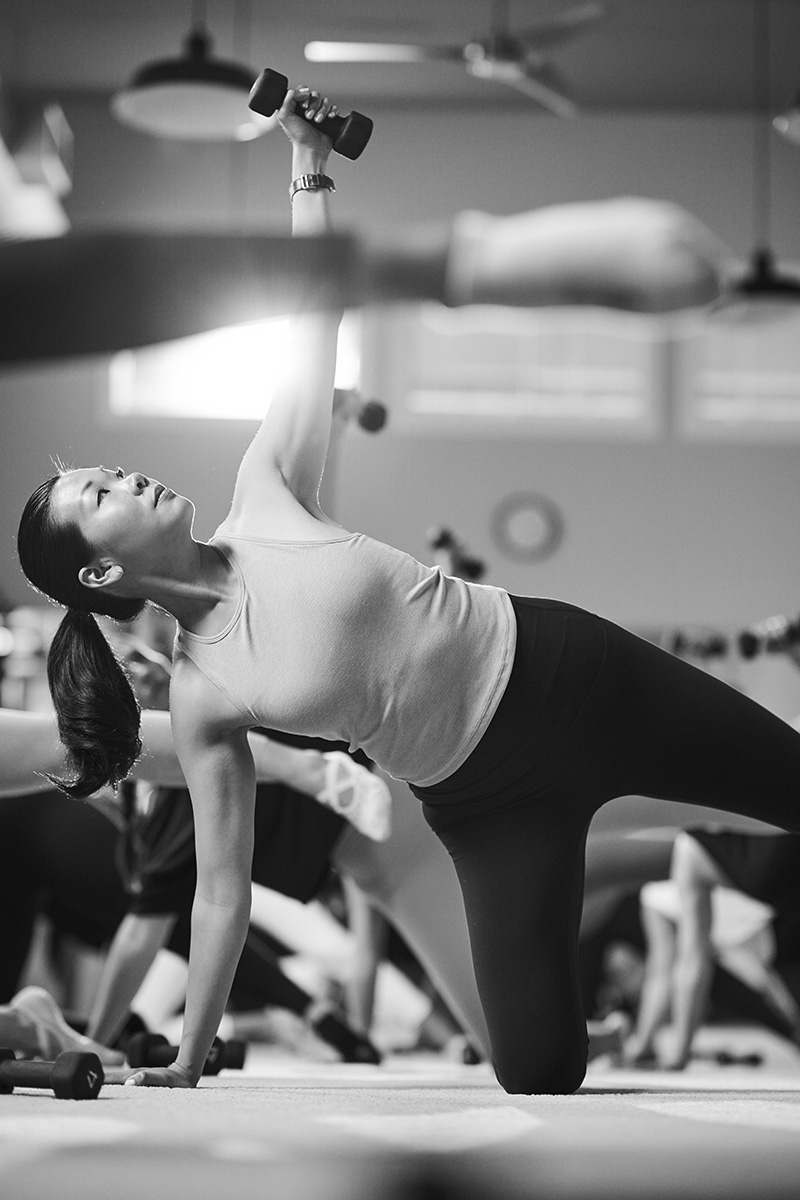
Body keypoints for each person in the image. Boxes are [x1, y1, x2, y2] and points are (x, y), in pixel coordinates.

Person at [18, 85, 798, 1097]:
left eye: (109, 468)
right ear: (97, 571)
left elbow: (312, 322)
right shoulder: (205, 698)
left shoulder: (265, 493)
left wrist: (307, 168)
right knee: (537, 1072)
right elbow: (218, 892)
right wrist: (185, 1056)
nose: (124, 475)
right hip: (484, 804)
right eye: (99, 490)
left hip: (568, 674)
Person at [625, 829, 800, 1070]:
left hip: (771, 935)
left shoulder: (664, 884)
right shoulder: (691, 856)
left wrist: (666, 1050)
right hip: (779, 916)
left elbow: (673, 970)